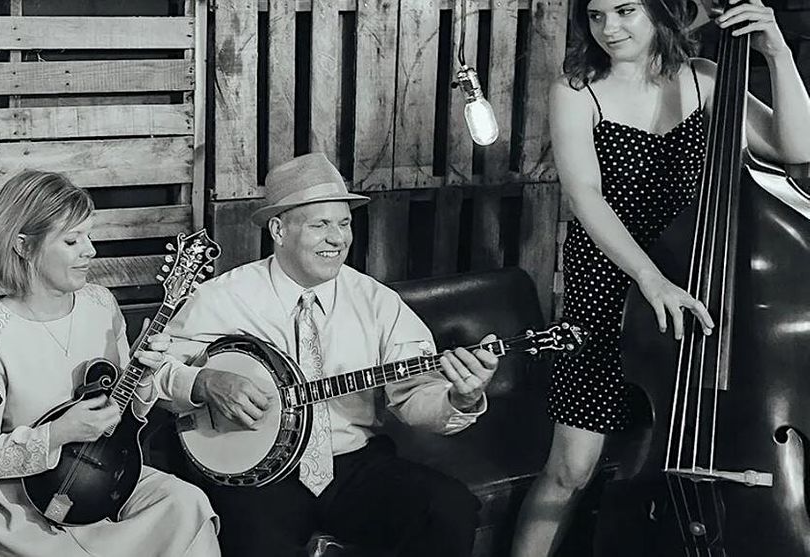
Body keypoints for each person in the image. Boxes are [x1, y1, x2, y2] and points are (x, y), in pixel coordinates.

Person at [511, 0, 810, 554]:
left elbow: (798, 147)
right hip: (608, 289)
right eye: (596, 16)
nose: (609, 28)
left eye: (625, 11)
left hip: (697, 286)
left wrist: (777, 51)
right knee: (571, 468)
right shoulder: (578, 91)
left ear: (659, 12)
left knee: (694, 441)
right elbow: (585, 197)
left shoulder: (706, 79)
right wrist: (649, 280)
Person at [150, 152, 500, 557]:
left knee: (448, 510)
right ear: (279, 230)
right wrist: (204, 382)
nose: (338, 238)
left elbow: (415, 396)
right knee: (252, 542)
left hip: (352, 463)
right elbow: (157, 370)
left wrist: (461, 398)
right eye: (321, 225)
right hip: (255, 476)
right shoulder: (224, 297)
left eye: (345, 223)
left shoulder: (376, 302)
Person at [0, 170, 220, 557]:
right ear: (24, 246)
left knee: (186, 502)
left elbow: (122, 409)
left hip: (103, 474)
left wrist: (142, 376)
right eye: (72, 240)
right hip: (25, 503)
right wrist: (57, 433)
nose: (91, 250)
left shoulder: (100, 304)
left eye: (89, 236)